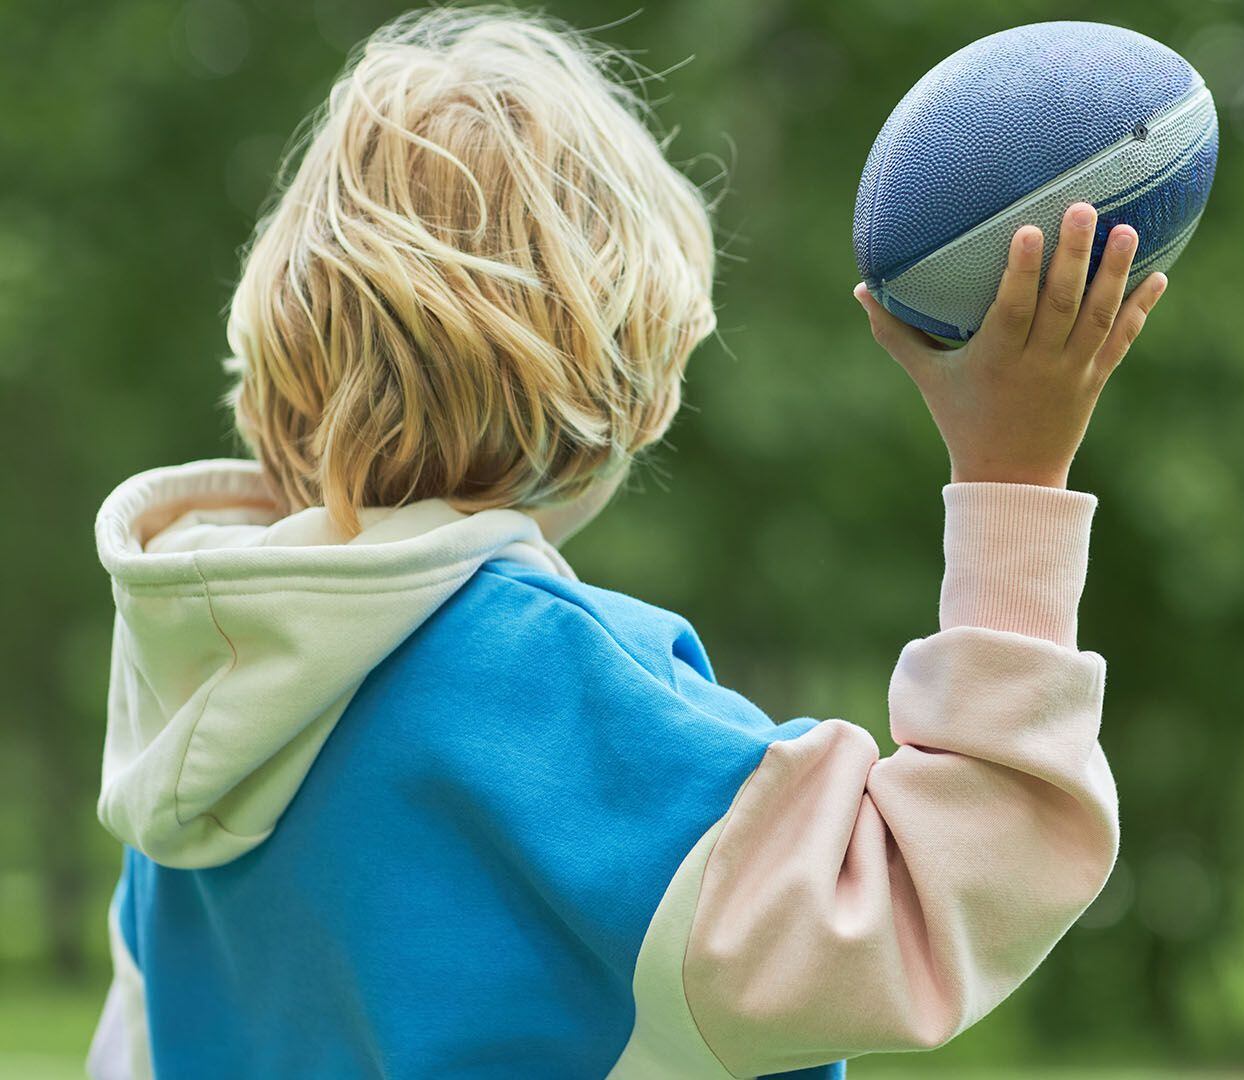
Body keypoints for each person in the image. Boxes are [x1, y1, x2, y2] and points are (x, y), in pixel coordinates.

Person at [85, 9, 1166, 1077]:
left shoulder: (193, 717)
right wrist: (1015, 475)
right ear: (621, 389)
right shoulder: (548, 695)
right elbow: (935, 897)